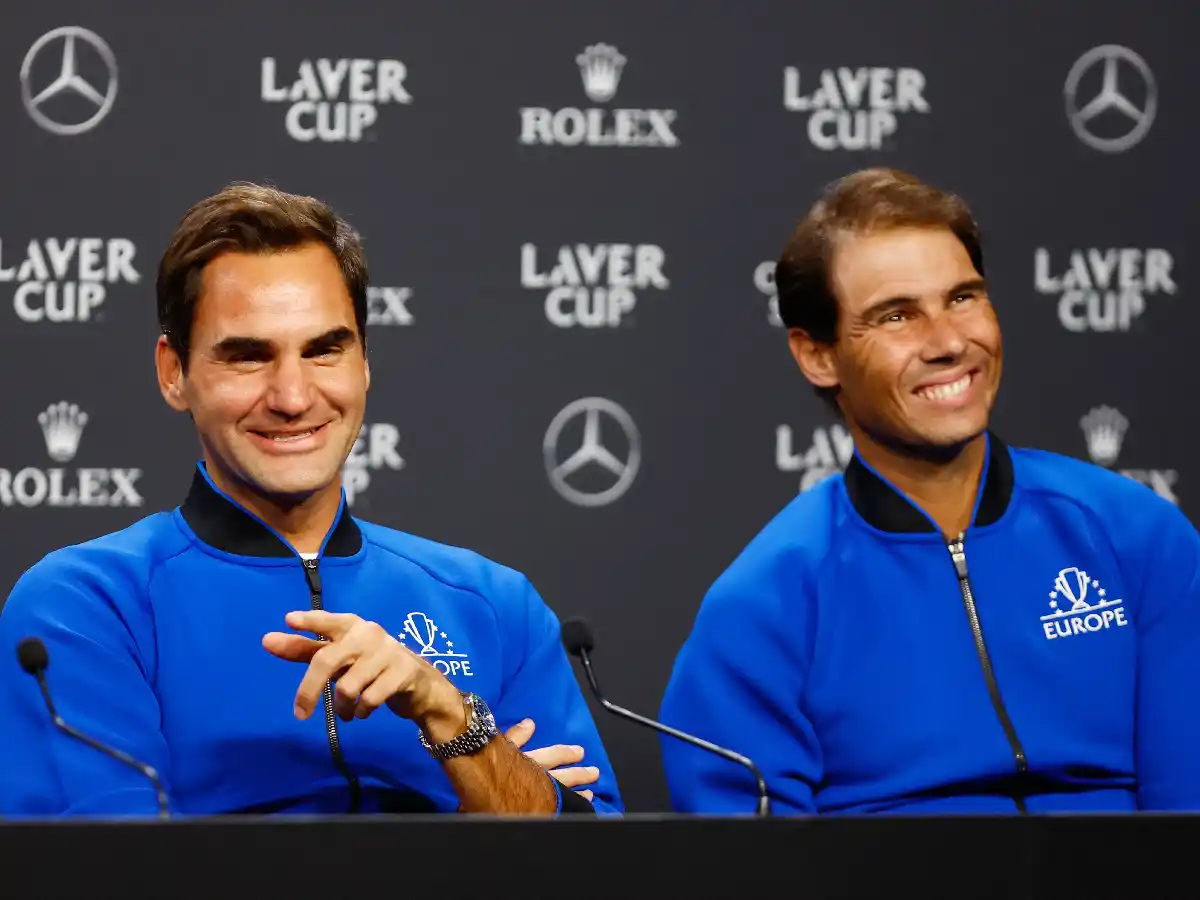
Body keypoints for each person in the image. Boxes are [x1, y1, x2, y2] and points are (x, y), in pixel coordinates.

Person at [0, 184, 621, 818]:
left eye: (325, 349)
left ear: (364, 362)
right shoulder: (86, 606)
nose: (293, 397)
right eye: (247, 357)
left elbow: (593, 868)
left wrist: (449, 712)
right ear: (174, 372)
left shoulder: (493, 604)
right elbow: (107, 873)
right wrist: (476, 811)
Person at [658, 168, 1200, 815]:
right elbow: (754, 873)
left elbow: (1185, 819)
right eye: (896, 315)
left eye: (964, 298)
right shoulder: (764, 603)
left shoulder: (1137, 536)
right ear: (817, 355)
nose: (947, 342)